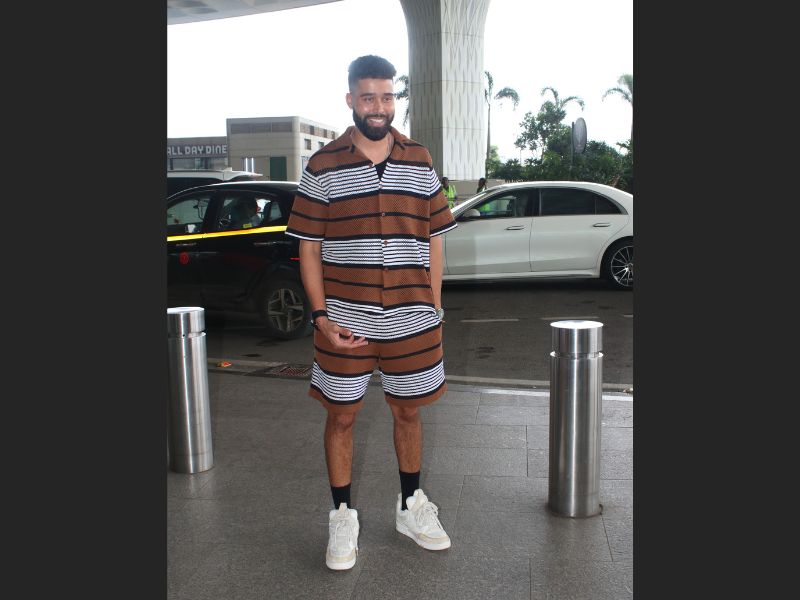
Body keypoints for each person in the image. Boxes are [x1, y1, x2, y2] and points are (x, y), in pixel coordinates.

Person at [285, 55, 457, 571]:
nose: (378, 107)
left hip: (412, 320)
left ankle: (411, 505)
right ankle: (342, 514)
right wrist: (320, 317)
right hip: (345, 322)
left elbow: (435, 238)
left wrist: (434, 304)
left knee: (409, 411)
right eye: (368, 97)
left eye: (386, 96)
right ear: (350, 100)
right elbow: (309, 247)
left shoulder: (419, 159)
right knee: (341, 417)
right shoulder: (322, 165)